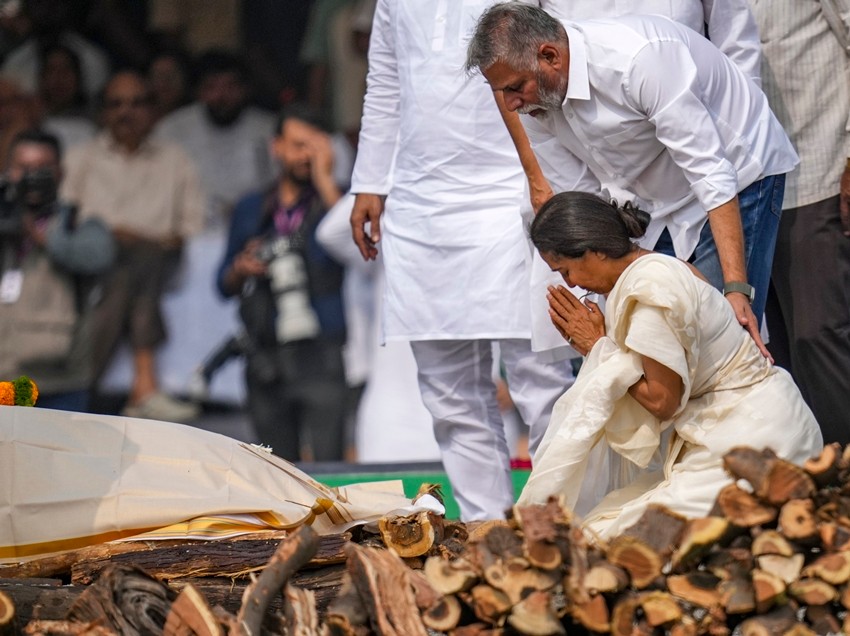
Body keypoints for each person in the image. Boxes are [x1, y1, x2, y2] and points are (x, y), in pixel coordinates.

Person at [350, 0, 577, 521]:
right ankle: (485, 533)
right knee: (450, 397)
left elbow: (557, 65)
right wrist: (369, 180)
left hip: (516, 188)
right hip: (419, 200)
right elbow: (385, 83)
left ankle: (558, 527)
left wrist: (551, 178)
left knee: (541, 381)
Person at [466, 4, 798, 349]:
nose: (510, 104)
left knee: (721, 335)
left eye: (515, 87)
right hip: (655, 200)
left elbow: (711, 173)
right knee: (661, 334)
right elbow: (583, 202)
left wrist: (736, 290)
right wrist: (607, 315)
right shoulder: (532, 104)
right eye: (501, 92)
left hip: (737, 173)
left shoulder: (637, 60)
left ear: (550, 56)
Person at [518, 192, 823, 537]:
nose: (570, 284)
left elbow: (664, 402)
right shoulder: (662, 266)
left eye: (567, 270)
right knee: (599, 522)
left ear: (595, 250)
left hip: (756, 448)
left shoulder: (650, 291)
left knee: (607, 540)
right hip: (749, 432)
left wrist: (596, 347)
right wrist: (601, 348)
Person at [501, 0, 762, 212]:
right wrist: (538, 176)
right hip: (598, 171)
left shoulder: (645, 56)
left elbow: (734, 32)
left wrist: (745, 122)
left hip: (709, 147)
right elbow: (510, 58)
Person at [61, 69, 204, 422]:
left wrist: (141, 239)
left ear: (154, 111)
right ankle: (145, 387)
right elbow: (63, 225)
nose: (127, 112)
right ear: (103, 113)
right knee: (126, 271)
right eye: (116, 104)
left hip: (157, 260)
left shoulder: (175, 159)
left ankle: (83, 383)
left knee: (137, 262)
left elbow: (192, 229)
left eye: (137, 103)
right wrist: (108, 238)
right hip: (91, 267)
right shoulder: (80, 159)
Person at [216, 105, 348, 463]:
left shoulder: (338, 200)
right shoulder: (252, 208)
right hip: (266, 354)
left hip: (322, 351)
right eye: (298, 145)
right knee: (275, 472)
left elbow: (357, 243)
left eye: (315, 146)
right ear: (277, 147)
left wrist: (326, 181)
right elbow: (222, 284)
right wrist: (242, 267)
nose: (306, 155)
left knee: (330, 471)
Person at [748, 0, 850, 445]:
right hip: (752, 188)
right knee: (782, 350)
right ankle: (817, 494)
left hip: (821, 170)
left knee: (820, 333)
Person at [0, 129, 114, 411]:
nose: (31, 178)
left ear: (60, 173)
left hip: (56, 382)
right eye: (23, 169)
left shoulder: (78, 223)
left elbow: (98, 256)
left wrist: (40, 235)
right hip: (4, 381)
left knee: (57, 455)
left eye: (42, 169)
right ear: (8, 171)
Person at [154, 50, 276, 231]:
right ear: (198, 92)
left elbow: (280, 190)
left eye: (231, 87)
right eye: (212, 87)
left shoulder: (268, 129)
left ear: (246, 89)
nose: (222, 96)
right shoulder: (172, 129)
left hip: (254, 229)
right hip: (188, 231)